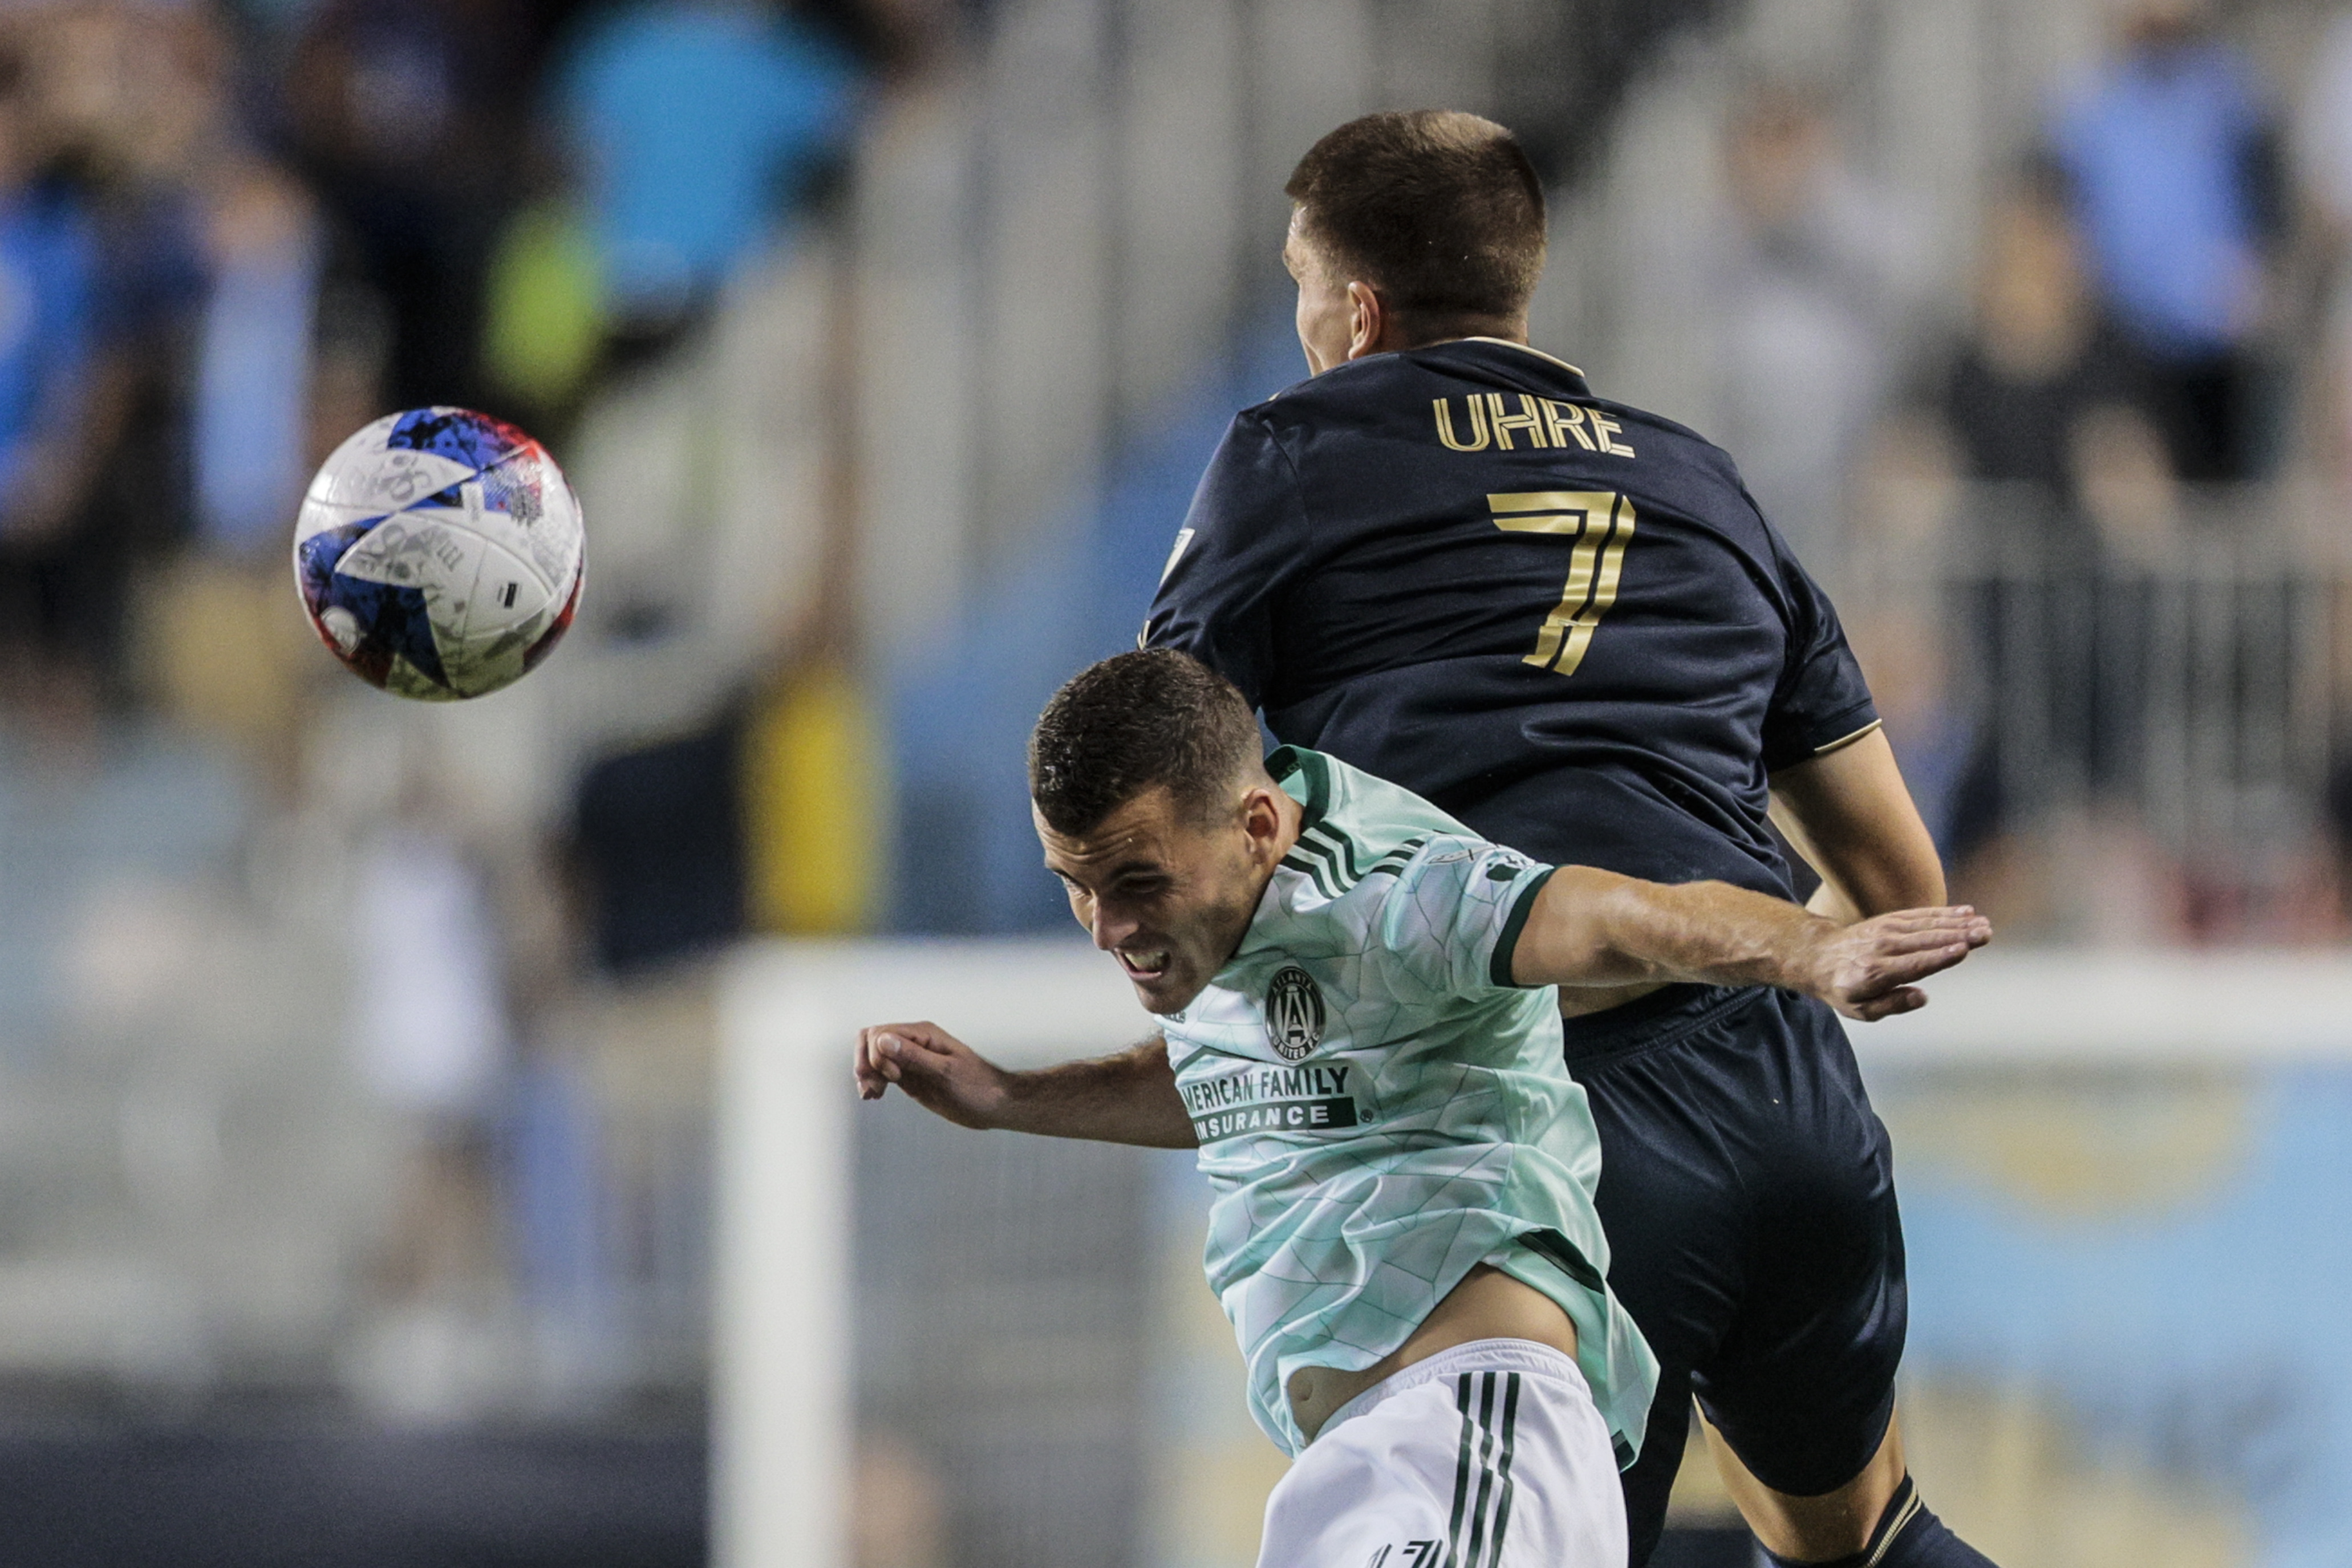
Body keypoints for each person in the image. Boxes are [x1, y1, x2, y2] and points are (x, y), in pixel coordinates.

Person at [1143, 111, 2000, 1568]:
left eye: (1299, 282)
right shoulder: (1703, 483)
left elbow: (1168, 792)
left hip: (1549, 1116)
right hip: (1791, 1093)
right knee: (1862, 1540)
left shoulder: (1286, 456)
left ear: (1356, 310)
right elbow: (1903, 884)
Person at [854, 650, 1990, 1568]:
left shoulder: (1391, 892)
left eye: (1134, 883)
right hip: (1353, 1469)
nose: (1106, 927)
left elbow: (1612, 916)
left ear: (1256, 827)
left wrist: (1812, 949)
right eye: (1076, 887)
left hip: (1479, 1436)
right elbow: (1239, 1086)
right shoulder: (1222, 932)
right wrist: (1005, 1097)